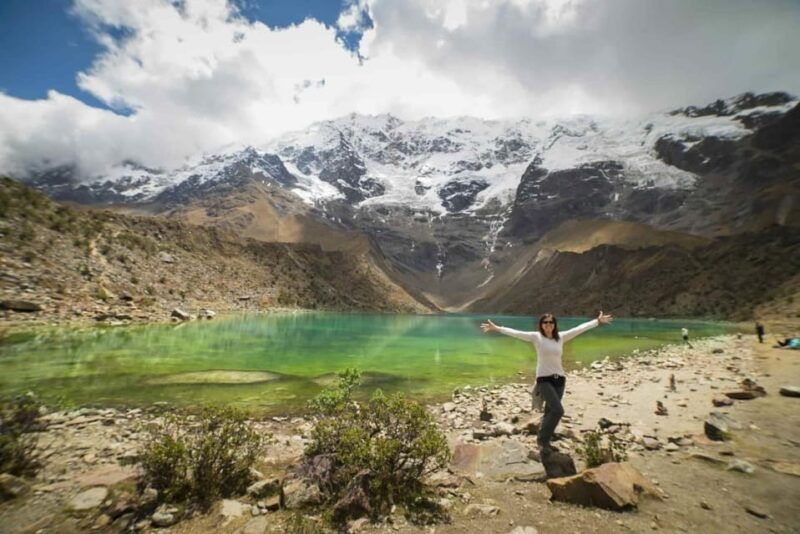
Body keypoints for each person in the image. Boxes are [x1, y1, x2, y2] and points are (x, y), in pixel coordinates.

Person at [481, 311, 614, 454]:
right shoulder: (536, 337)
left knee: (550, 411)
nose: (548, 325)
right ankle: (542, 440)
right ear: (541, 325)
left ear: (554, 324)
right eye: (545, 322)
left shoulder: (560, 337)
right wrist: (497, 328)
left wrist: (597, 321)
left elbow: (579, 329)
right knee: (558, 411)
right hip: (544, 379)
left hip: (559, 379)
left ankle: (545, 439)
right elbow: (517, 333)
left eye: (551, 322)